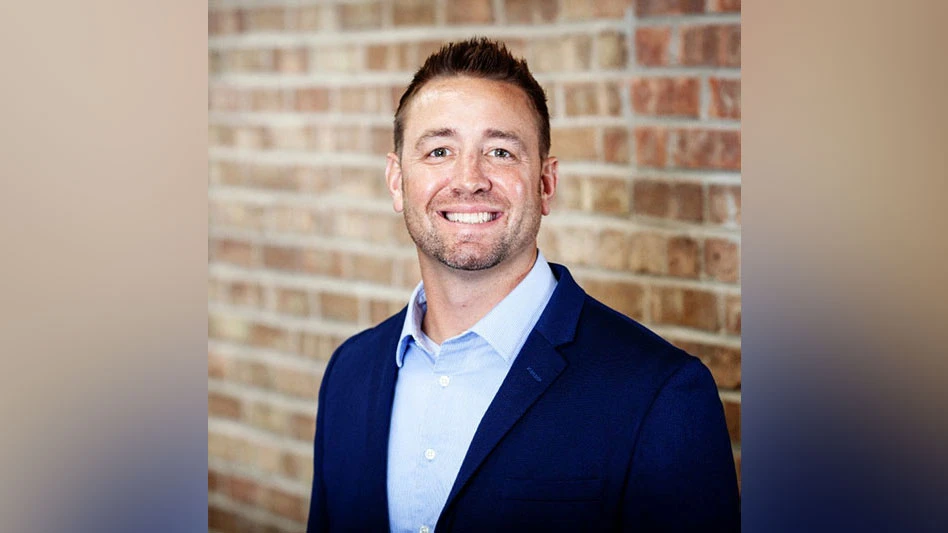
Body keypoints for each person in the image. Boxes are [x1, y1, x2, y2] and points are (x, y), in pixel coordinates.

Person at [306, 37, 740, 532]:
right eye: (439, 150)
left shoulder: (662, 396)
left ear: (546, 183)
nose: (468, 179)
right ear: (396, 181)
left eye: (500, 152)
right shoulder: (348, 373)